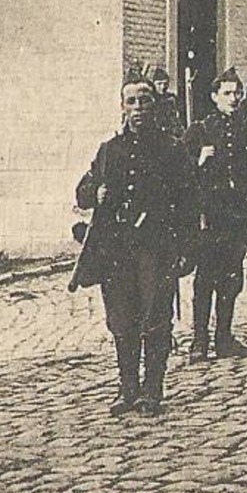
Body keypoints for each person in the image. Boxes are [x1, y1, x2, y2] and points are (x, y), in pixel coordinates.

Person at [73, 72, 197, 417]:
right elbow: (82, 192)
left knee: (156, 317)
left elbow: (189, 202)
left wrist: (187, 249)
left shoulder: (172, 149)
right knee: (122, 320)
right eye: (132, 102)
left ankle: (152, 390)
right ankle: (127, 388)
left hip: (157, 248)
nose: (139, 108)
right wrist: (94, 193)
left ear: (154, 105)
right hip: (117, 250)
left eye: (145, 100)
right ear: (123, 107)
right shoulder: (109, 151)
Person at [182, 67, 247, 361]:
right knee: (205, 279)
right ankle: (199, 341)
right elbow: (178, 175)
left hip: (238, 216)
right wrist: (198, 159)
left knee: (232, 280)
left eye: (237, 93)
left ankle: (224, 337)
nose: (233, 98)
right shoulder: (200, 130)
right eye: (227, 93)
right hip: (209, 217)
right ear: (214, 96)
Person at [146, 64, 186, 142]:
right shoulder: (150, 100)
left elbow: (176, 120)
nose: (163, 87)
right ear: (153, 84)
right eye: (159, 84)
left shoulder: (171, 99)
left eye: (165, 84)